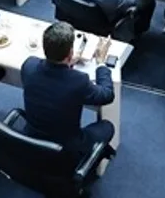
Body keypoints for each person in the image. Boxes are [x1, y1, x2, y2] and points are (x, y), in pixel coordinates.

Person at [21, 21, 115, 154]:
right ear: (70, 53)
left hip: (30, 140)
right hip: (65, 151)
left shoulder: (29, 66)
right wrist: (100, 63)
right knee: (107, 127)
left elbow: (49, 80)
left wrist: (67, 62)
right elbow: (107, 94)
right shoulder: (79, 81)